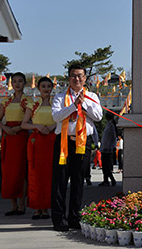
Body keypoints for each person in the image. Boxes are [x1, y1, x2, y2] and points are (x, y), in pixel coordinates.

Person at [51, 64, 103, 231]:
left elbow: (98, 116)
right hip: (64, 142)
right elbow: (56, 116)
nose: (77, 79)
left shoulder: (92, 96)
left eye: (80, 76)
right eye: (73, 75)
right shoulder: (60, 97)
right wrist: (74, 105)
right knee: (60, 181)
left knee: (78, 180)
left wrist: (83, 104)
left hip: (83, 143)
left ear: (85, 78)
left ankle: (74, 217)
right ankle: (59, 219)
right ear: (69, 78)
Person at [0, 72, 32, 216]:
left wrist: (17, 128)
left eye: (20, 81)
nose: (17, 84)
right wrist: (5, 129)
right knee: (9, 171)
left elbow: (29, 120)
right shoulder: (6, 101)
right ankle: (13, 205)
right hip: (8, 137)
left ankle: (22, 205)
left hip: (21, 136)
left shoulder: (28, 101)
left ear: (24, 83)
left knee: (20, 170)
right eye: (14, 81)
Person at [22, 77, 56, 220]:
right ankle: (36, 208)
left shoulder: (56, 104)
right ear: (38, 88)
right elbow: (24, 124)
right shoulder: (33, 104)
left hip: (52, 140)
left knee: (49, 175)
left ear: (52, 88)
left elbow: (62, 120)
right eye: (43, 86)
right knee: (35, 174)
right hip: (36, 141)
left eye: (49, 86)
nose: (46, 89)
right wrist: (37, 126)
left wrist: (53, 126)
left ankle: (46, 207)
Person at [99, 113, 118, 186]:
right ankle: (106, 180)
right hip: (105, 148)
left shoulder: (111, 126)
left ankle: (111, 180)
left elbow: (113, 137)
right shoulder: (109, 125)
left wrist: (112, 146)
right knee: (105, 166)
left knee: (106, 166)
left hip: (108, 148)